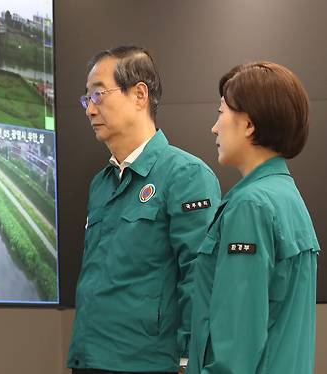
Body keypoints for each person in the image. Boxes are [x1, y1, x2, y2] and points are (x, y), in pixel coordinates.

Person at [67, 45, 221, 374]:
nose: (89, 110)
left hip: (147, 364)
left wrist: (187, 359)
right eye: (86, 99)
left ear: (139, 95)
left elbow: (200, 277)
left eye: (98, 95)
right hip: (90, 359)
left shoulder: (185, 175)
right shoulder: (101, 184)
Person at [187, 61, 320, 374]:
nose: (215, 127)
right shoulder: (288, 198)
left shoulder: (250, 205)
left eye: (221, 112)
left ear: (248, 124)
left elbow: (235, 347)